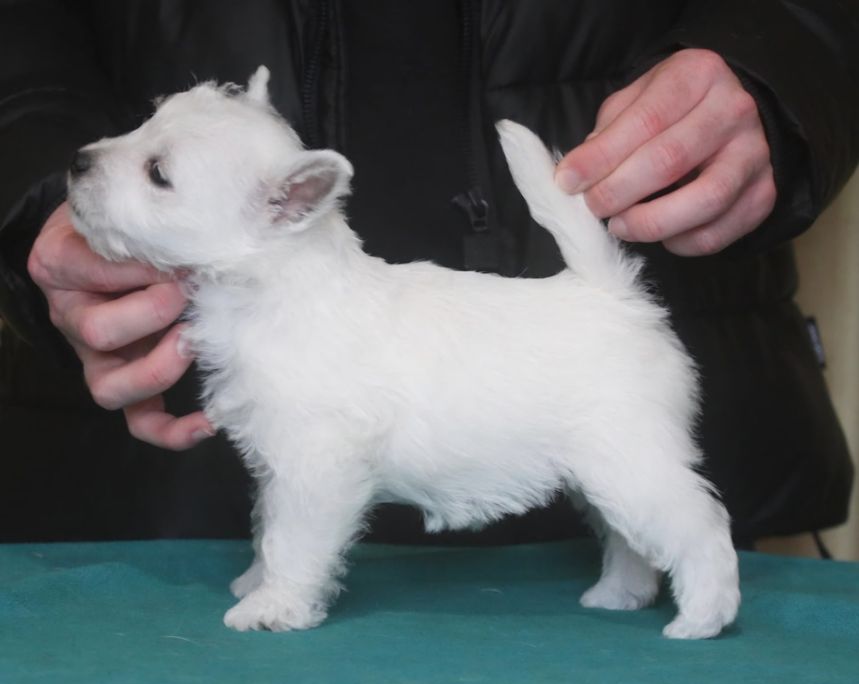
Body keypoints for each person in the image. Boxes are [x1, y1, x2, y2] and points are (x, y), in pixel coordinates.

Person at [1, 1, 856, 546]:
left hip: (657, 351)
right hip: (131, 507)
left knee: (630, 477)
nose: (102, 162)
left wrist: (788, 65)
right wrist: (32, 190)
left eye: (158, 170)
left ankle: (697, 571)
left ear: (289, 203)